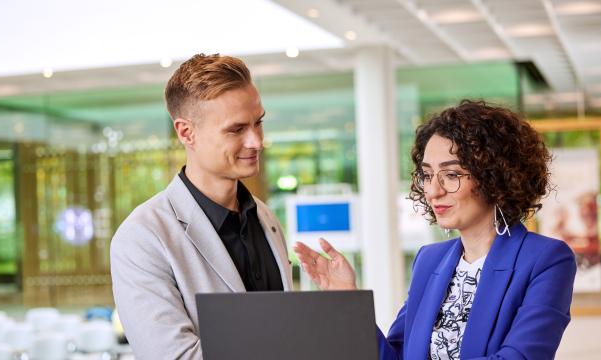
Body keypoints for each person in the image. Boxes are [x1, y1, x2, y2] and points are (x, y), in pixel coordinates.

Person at [294, 100, 577, 360]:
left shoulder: (546, 259)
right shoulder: (429, 259)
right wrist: (348, 300)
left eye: (451, 175)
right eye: (427, 175)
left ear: (495, 177)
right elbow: (396, 356)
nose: (433, 190)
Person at [111, 53, 293, 359]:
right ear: (186, 132)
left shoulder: (265, 218)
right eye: (236, 130)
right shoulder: (141, 238)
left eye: (258, 123)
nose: (256, 141)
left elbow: (284, 331)